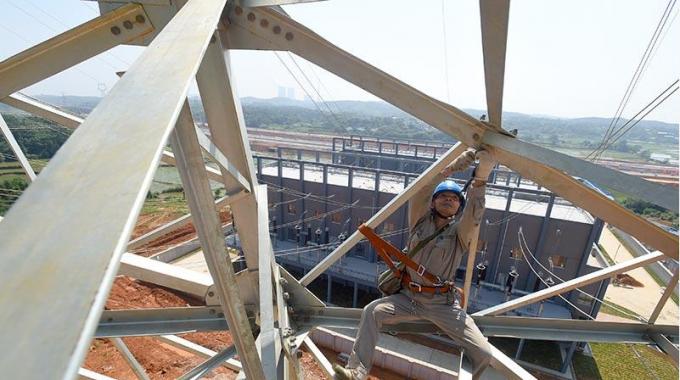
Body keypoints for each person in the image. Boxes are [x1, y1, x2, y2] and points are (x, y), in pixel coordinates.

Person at [334, 148, 495, 380]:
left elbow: (475, 211)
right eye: (443, 197)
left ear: (459, 207)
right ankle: (356, 372)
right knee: (372, 311)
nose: (449, 200)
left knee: (482, 353)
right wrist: (454, 167)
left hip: (443, 304)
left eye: (454, 199)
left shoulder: (460, 233)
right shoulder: (419, 222)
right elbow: (421, 189)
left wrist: (481, 179)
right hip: (409, 298)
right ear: (433, 203)